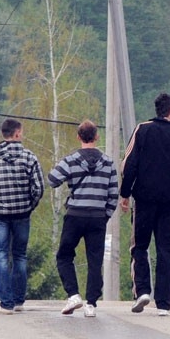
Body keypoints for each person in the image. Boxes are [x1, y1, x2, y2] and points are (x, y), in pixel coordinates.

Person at [120, 92, 170, 316]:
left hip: (144, 200)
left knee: (139, 246)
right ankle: (163, 303)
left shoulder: (142, 130)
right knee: (166, 249)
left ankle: (143, 291)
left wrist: (125, 193)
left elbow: (129, 164)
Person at [47, 120, 119, 318]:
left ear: (78, 137)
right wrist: (105, 215)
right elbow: (113, 194)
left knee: (64, 255)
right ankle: (91, 304)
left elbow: (52, 179)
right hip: (97, 216)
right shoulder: (108, 163)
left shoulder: (70, 160)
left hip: (75, 215)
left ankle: (73, 294)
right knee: (95, 260)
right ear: (96, 137)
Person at [0, 118, 44, 314]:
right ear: (16, 134)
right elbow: (39, 188)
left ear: (3, 134)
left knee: (0, 256)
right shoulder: (29, 157)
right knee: (20, 256)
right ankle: (18, 301)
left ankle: (5, 303)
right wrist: (29, 206)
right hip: (22, 213)